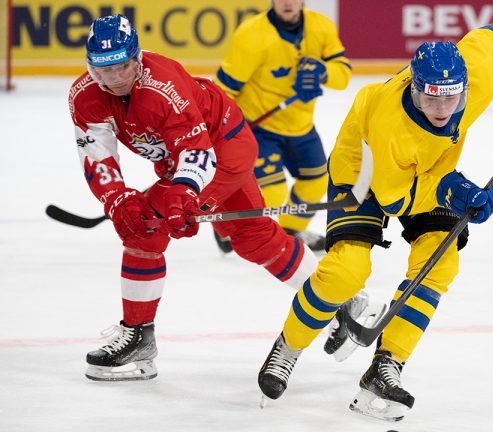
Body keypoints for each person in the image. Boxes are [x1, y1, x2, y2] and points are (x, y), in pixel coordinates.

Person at [256, 26, 493, 420]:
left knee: (440, 262)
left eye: (452, 97)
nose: (443, 110)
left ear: (465, 85)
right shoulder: (390, 121)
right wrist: (455, 191)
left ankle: (385, 366)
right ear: (414, 88)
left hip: (427, 173)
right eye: (431, 98)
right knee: (346, 270)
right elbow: (397, 200)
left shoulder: (470, 78)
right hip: (361, 173)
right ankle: (288, 348)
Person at [70, 14, 324, 381]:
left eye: (123, 67)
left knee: (225, 237)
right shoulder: (85, 96)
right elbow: (97, 153)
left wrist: (183, 196)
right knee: (234, 236)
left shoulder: (163, 86)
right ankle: (338, 299)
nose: (115, 79)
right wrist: (117, 198)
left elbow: (196, 149)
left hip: (224, 147)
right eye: (104, 70)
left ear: (136, 58)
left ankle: (336, 298)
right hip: (183, 158)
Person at [213, 0, 352, 253]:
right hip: (257, 129)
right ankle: (231, 222)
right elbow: (224, 89)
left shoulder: (321, 27)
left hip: (301, 126)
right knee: (273, 193)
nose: (287, 2)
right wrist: (221, 130)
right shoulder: (252, 34)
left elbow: (343, 75)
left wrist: (322, 71)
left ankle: (290, 231)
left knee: (316, 182)